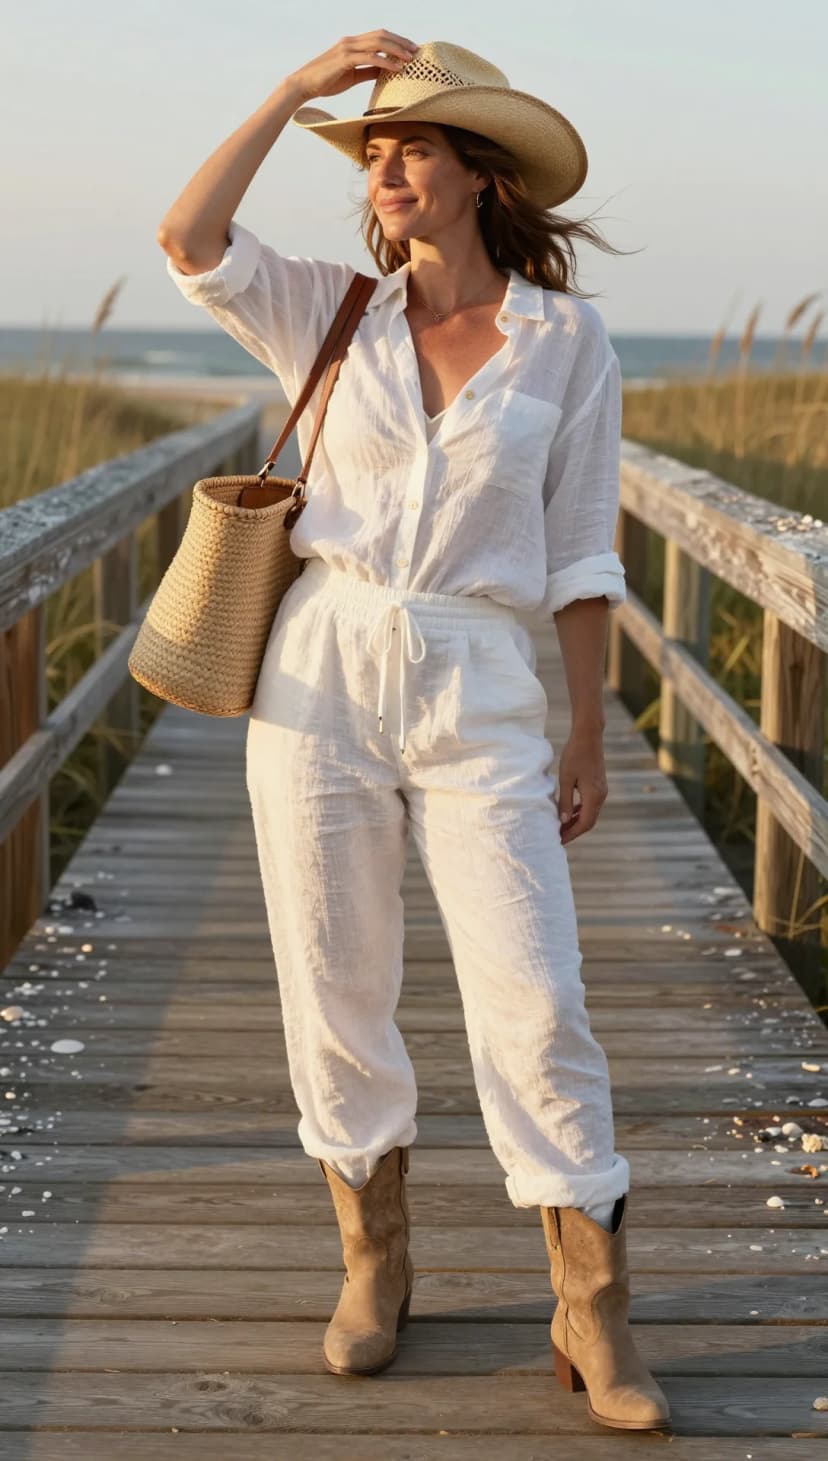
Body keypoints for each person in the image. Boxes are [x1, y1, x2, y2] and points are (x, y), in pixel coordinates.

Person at [158, 33, 671, 1433]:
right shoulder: (329, 313)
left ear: (477, 174)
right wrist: (289, 92)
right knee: (333, 979)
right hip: (320, 667)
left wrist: (587, 733)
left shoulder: (567, 341)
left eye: (414, 147)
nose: (385, 169)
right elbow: (188, 236)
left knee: (534, 995)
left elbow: (578, 551)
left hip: (477, 679)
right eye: (374, 152)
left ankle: (592, 1306)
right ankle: (373, 1260)